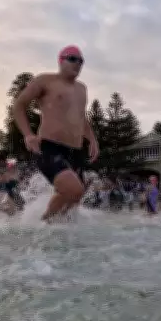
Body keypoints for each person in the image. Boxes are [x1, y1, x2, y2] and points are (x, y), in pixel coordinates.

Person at [12, 45, 100, 221]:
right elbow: (19, 105)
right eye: (72, 59)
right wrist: (28, 135)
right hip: (49, 147)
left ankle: (55, 229)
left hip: (75, 151)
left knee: (75, 199)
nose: (78, 64)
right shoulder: (45, 81)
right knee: (73, 189)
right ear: (61, 60)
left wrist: (92, 139)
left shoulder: (82, 89)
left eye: (81, 61)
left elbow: (81, 117)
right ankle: (43, 224)